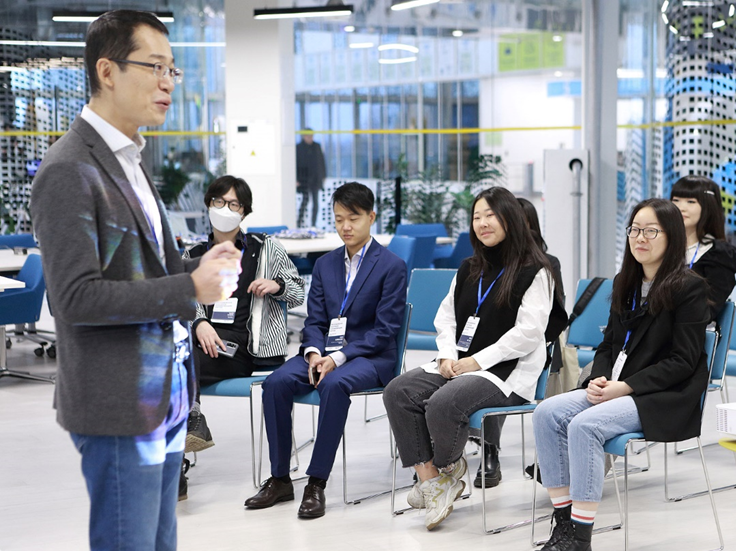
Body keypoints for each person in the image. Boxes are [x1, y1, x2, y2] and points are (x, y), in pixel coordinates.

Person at [29, 10, 242, 551]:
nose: (168, 82)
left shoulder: (131, 160)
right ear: (107, 71)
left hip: (164, 394)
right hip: (118, 401)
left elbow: (156, 267)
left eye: (172, 69)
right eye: (154, 67)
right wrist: (190, 289)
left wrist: (202, 269)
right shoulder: (69, 169)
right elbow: (75, 298)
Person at [527, 198, 709, 551]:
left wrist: (624, 387)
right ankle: (563, 526)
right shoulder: (625, 283)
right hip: (619, 387)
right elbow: (609, 345)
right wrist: (600, 377)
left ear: (672, 236)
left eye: (651, 231)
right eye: (634, 230)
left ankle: (580, 543)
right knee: (546, 412)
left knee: (585, 425)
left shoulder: (689, 288)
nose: (640, 238)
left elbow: (683, 362)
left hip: (664, 395)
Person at [383, 187, 560, 530]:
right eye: (477, 217)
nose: (482, 223)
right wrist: (448, 355)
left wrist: (477, 361)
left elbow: (529, 332)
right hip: (460, 363)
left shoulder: (535, 269)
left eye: (490, 215)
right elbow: (446, 317)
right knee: (398, 391)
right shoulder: (469, 267)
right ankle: (433, 481)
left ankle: (446, 469)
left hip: (506, 372)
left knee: (443, 402)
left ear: (510, 218)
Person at [244, 182, 407, 519]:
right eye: (339, 219)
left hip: (370, 357)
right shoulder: (325, 265)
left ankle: (316, 482)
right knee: (275, 383)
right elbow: (315, 320)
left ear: (371, 217)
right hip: (324, 352)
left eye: (354, 218)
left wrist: (337, 358)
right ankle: (280, 479)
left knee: (334, 384)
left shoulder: (391, 266)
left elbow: (385, 330)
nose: (346, 226)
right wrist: (314, 353)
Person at [180, 175, 305, 495]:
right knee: (169, 362)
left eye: (233, 204)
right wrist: (199, 323)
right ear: (208, 204)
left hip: (247, 348)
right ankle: (183, 445)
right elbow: (181, 299)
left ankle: (186, 436)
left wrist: (277, 286)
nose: (225, 209)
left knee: (178, 364)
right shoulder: (193, 254)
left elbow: (298, 292)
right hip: (202, 342)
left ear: (245, 211)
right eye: (219, 201)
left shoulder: (265, 249)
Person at [471, 198, 567, 489]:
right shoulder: (486, 266)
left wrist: (514, 345)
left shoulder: (544, 265)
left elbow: (551, 321)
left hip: (533, 347)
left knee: (498, 372)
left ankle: (490, 450)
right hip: (490, 347)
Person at [670, 175, 736, 319]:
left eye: (691, 201)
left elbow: (708, 309)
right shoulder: (661, 246)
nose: (681, 207)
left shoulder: (719, 255)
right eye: (676, 200)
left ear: (708, 207)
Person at [296, 130, 326, 227]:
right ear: (304, 136)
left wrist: (323, 176)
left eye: (311, 136)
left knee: (315, 203)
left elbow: (321, 161)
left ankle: (313, 224)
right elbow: (295, 164)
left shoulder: (316, 146)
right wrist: (296, 179)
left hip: (315, 179)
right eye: (308, 136)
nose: (310, 138)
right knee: (305, 201)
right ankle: (299, 222)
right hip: (303, 179)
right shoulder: (298, 147)